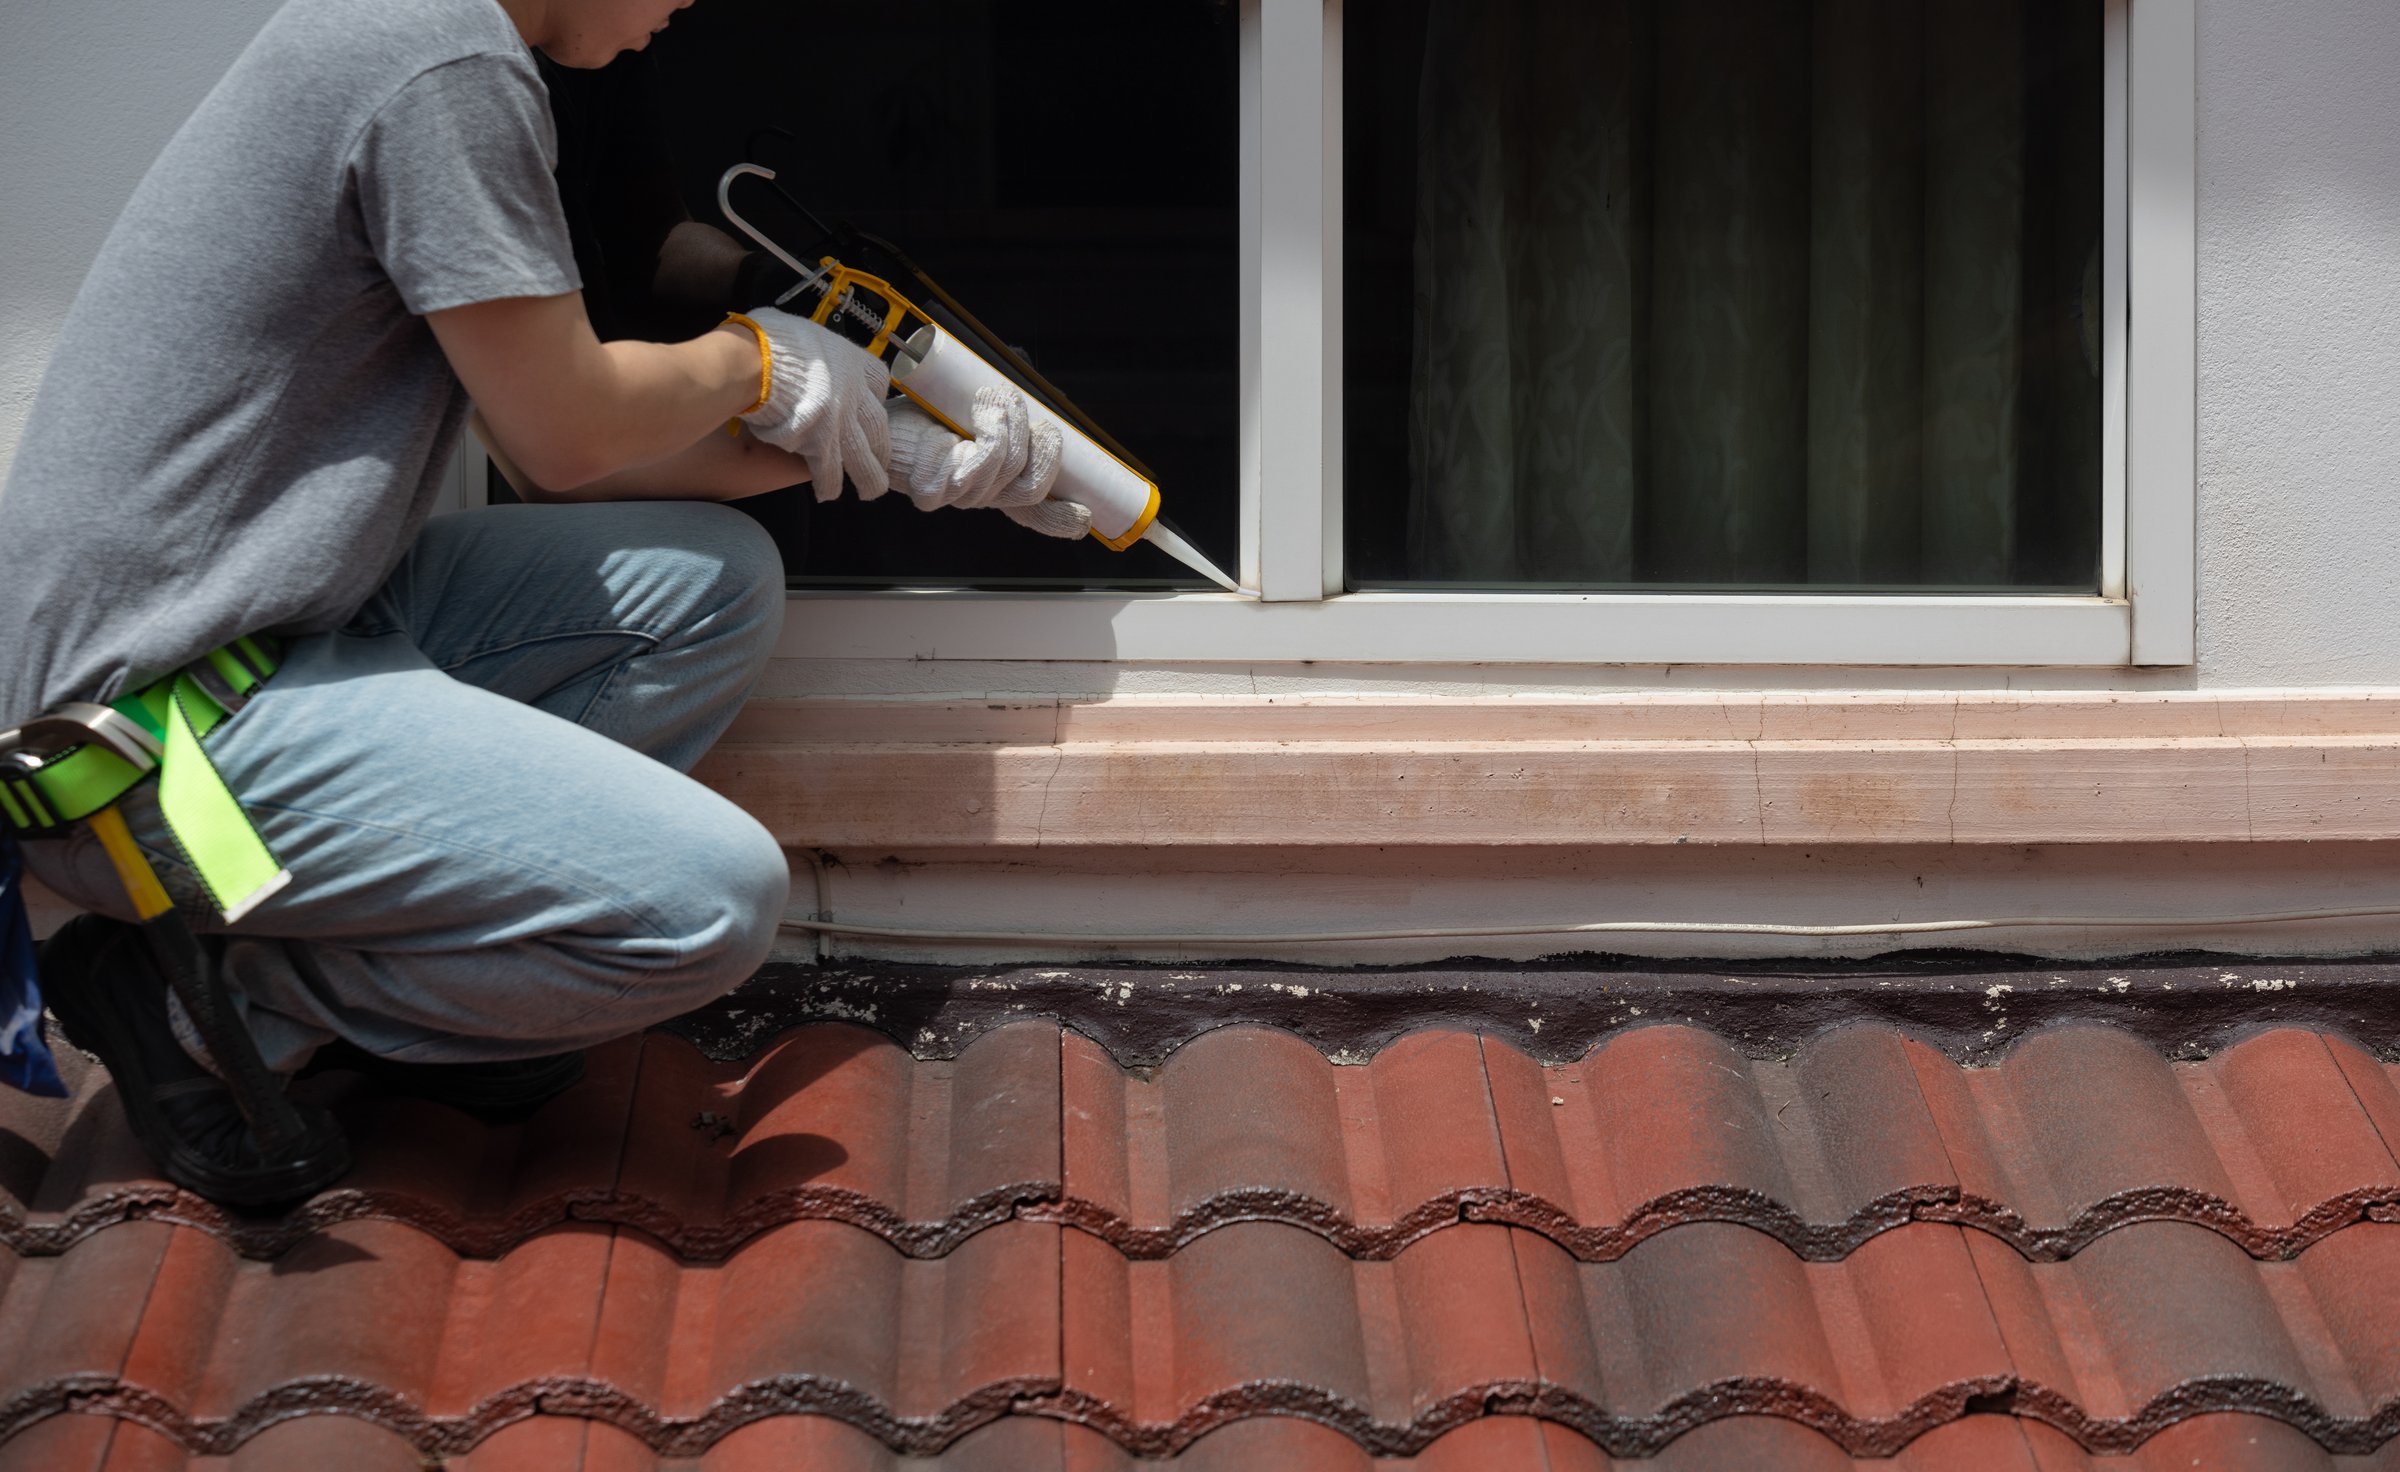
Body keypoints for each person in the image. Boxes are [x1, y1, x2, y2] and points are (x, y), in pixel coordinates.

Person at [0, 0, 1071, 1203]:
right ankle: (201, 1007)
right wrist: (755, 361)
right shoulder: (444, 67)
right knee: (711, 902)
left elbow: (549, 445)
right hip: (148, 741)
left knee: (709, 580)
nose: (690, 6)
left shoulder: (425, 32)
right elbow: (570, 432)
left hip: (271, 635)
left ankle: (427, 984)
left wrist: (886, 451)